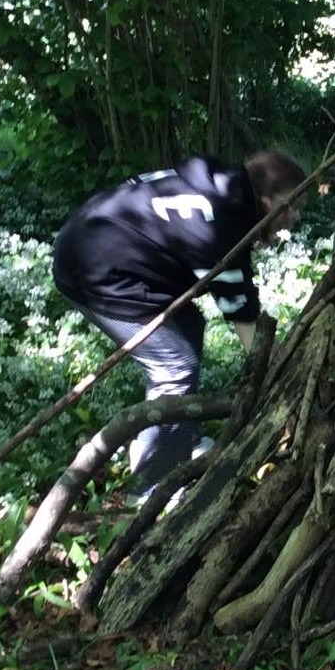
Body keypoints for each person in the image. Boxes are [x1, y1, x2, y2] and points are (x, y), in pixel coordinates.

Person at [52, 149, 306, 491]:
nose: (294, 217)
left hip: (90, 245)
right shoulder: (221, 228)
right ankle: (154, 484)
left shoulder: (221, 186)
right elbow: (249, 330)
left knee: (188, 324)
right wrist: (285, 382)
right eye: (290, 207)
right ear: (266, 200)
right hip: (93, 271)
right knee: (174, 365)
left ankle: (179, 439)